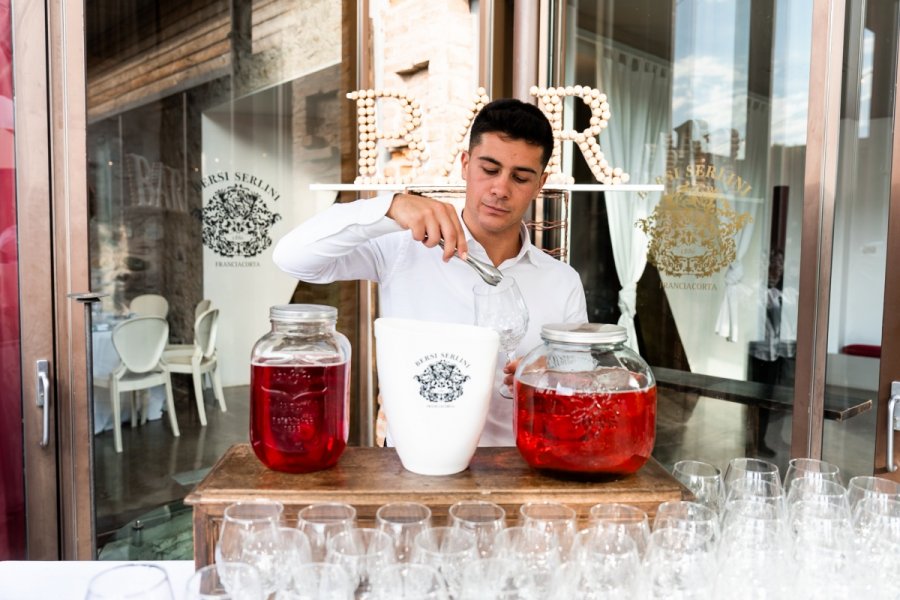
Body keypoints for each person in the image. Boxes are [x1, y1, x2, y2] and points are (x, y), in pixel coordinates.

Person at [272, 98, 588, 446]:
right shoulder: (402, 248)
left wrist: (552, 378)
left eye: (520, 177)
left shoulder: (562, 282)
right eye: (489, 169)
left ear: (540, 184)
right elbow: (292, 257)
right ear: (465, 164)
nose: (500, 188)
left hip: (520, 473)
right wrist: (390, 207)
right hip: (413, 472)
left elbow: (580, 385)